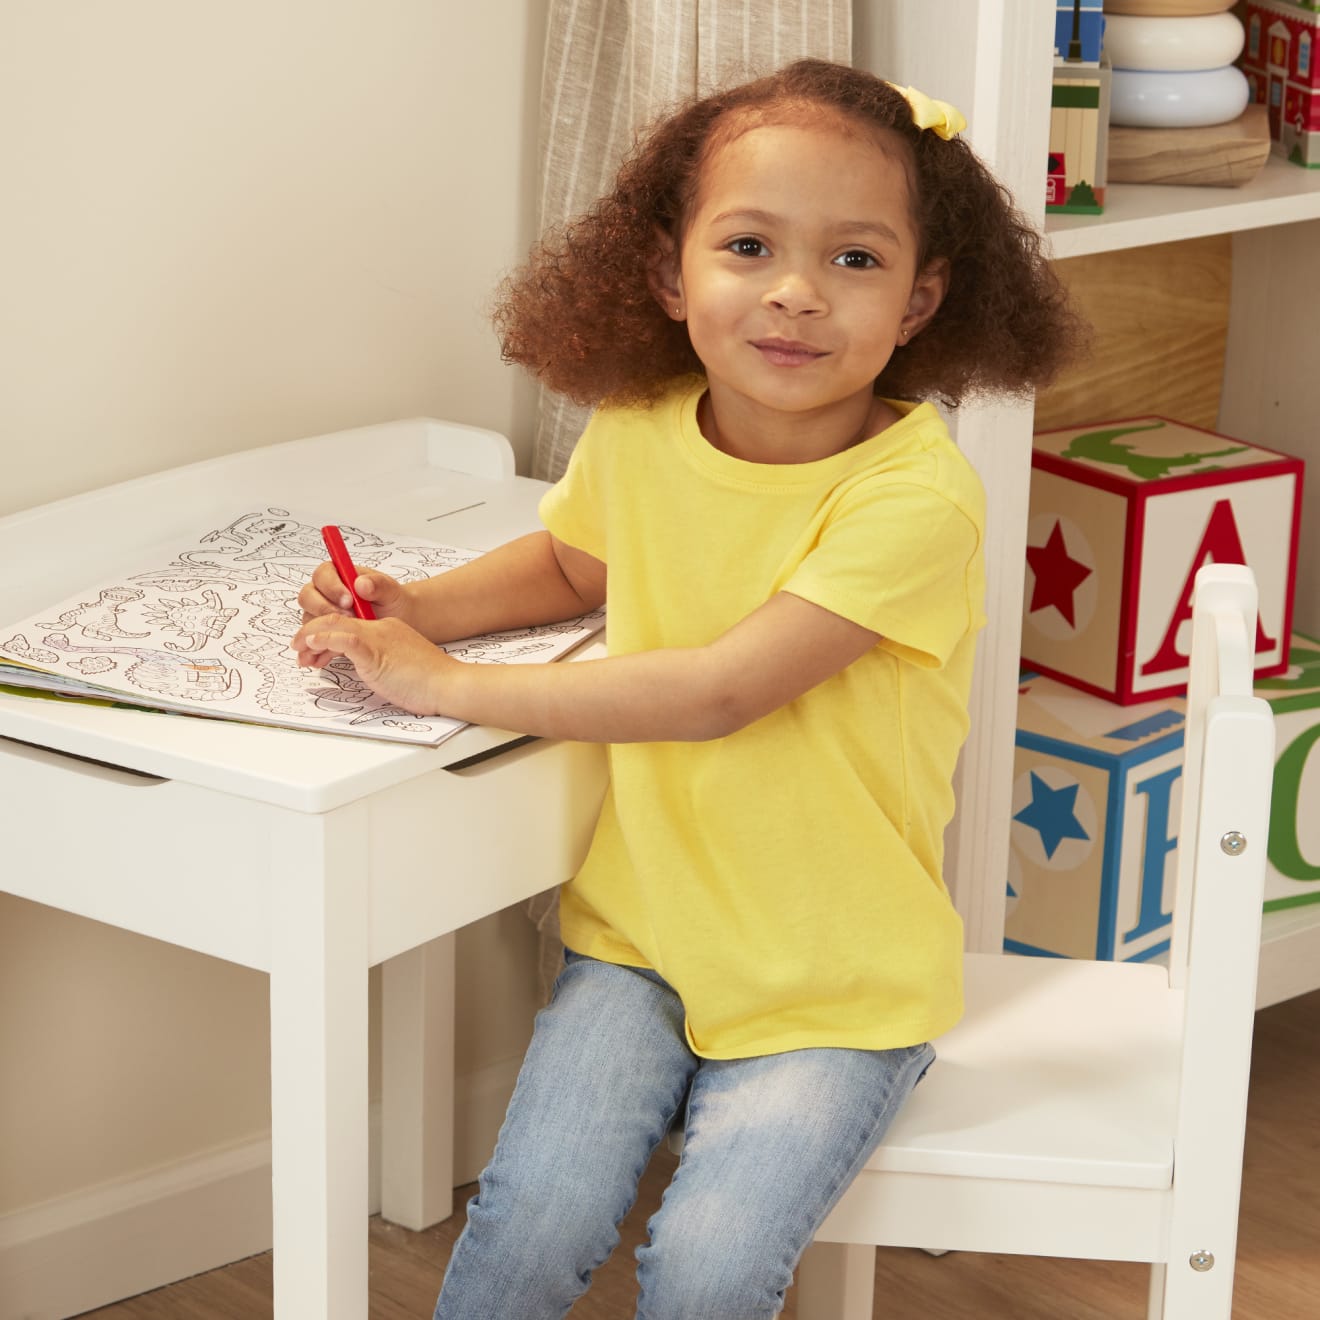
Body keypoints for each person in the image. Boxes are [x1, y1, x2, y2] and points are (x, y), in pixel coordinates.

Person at [293, 58, 1085, 1320]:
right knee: (524, 1230)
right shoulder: (645, 423)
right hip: (643, 939)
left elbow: (721, 690)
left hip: (841, 980)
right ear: (670, 272)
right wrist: (419, 606)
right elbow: (571, 560)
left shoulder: (916, 498)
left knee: (707, 1270)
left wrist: (445, 684)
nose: (794, 293)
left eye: (856, 261)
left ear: (924, 300)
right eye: (751, 244)